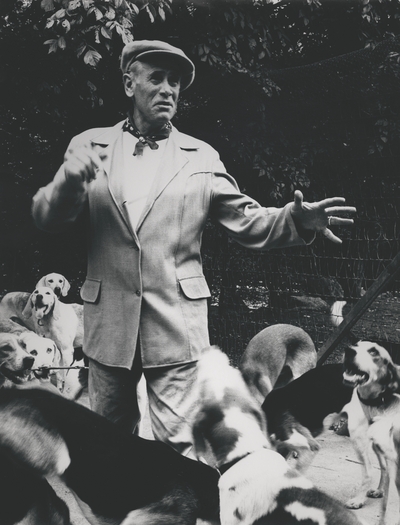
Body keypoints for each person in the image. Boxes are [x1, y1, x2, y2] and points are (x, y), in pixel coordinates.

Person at [31, 40, 356, 455]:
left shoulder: (200, 157)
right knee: (106, 451)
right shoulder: (90, 145)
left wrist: (295, 219)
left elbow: (248, 219)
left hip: (175, 328)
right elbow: (48, 219)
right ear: (129, 84)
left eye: (175, 82)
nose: (168, 89)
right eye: (156, 78)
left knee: (184, 452)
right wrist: (67, 180)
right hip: (108, 325)